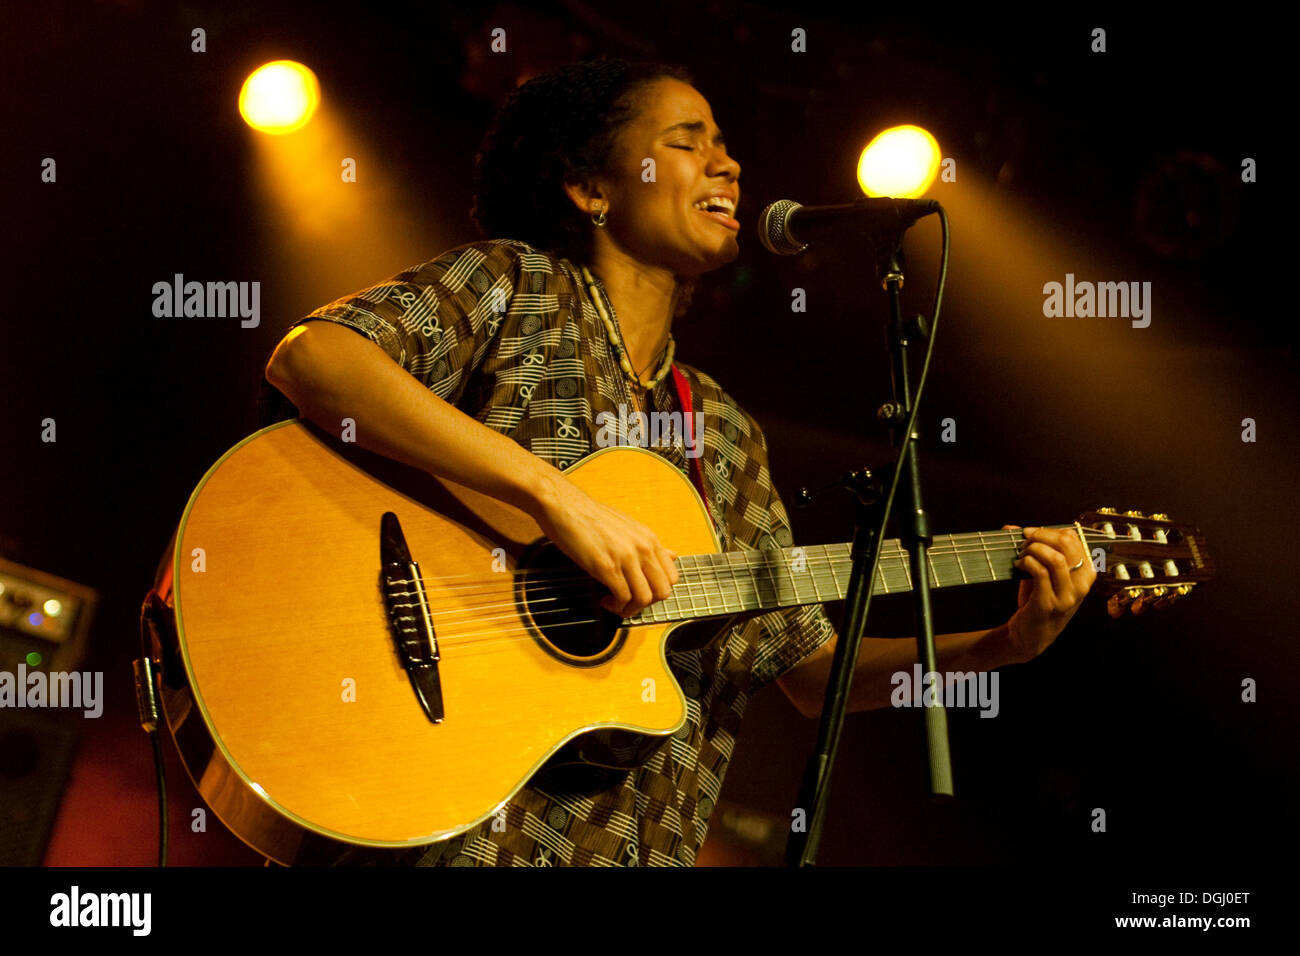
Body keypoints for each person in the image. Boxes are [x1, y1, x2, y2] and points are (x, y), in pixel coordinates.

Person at [262, 56, 1094, 866]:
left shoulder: (723, 430)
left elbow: (806, 669)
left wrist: (1003, 645)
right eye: (689, 139)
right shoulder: (516, 287)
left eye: (724, 142)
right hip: (442, 816)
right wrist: (559, 501)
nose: (727, 162)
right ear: (590, 188)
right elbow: (318, 360)